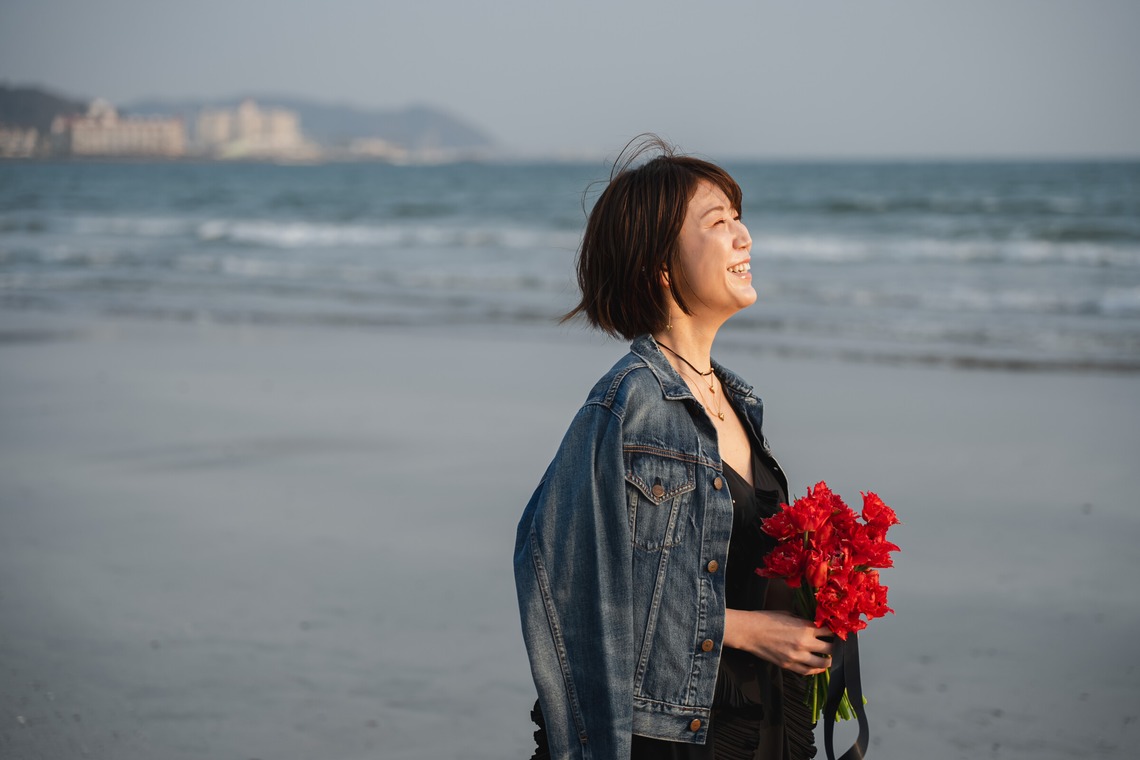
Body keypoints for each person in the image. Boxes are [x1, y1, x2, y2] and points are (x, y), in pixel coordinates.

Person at [513, 136, 833, 760]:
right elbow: (570, 585)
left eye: (740, 218)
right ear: (660, 265)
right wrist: (745, 630)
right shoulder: (626, 403)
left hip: (773, 720)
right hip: (681, 735)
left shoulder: (738, 401)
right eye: (719, 222)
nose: (744, 237)